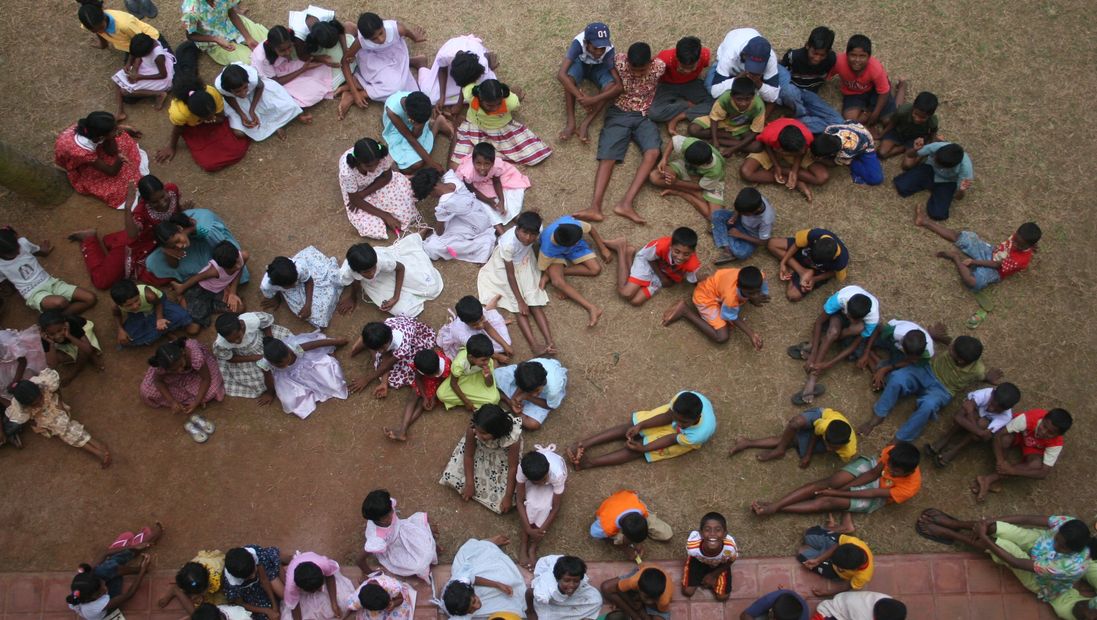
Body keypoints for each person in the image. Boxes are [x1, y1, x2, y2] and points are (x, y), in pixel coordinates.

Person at [574, 42, 665, 225]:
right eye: (634, 69)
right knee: (608, 156)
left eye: (642, 70)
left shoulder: (660, 67)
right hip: (619, 113)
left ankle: (626, 204)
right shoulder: (618, 62)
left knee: (653, 152)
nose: (637, 74)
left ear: (651, 62)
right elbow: (608, 84)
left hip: (644, 116)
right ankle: (595, 207)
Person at [863, 330, 1004, 442]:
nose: (950, 349)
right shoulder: (956, 345)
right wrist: (936, 336)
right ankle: (878, 415)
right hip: (927, 371)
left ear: (960, 361)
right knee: (897, 377)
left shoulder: (977, 370)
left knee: (928, 406)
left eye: (952, 351)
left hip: (943, 390)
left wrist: (988, 378)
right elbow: (949, 342)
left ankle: (900, 438)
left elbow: (981, 376)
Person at [70, 176, 186, 290]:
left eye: (163, 196)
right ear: (145, 201)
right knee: (102, 281)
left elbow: (176, 211)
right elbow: (132, 235)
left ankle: (113, 242)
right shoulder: (141, 211)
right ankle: (88, 239)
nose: (162, 203)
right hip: (137, 246)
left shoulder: (172, 190)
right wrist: (128, 208)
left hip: (160, 241)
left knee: (170, 270)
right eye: (154, 202)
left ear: (164, 189)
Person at [752, 442, 922, 521]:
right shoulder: (893, 453)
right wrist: (841, 488)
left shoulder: (910, 488)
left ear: (908, 472)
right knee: (830, 482)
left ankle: (776, 509)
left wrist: (836, 493)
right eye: (889, 465)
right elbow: (872, 474)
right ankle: (775, 505)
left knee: (827, 501)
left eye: (895, 471)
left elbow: (871, 492)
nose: (889, 469)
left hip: (877, 495)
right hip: (872, 475)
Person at [155, 42, 249, 171]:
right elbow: (178, 129)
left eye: (211, 112)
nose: (210, 116)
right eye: (206, 116)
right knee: (209, 163)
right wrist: (171, 146)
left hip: (205, 118)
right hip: (193, 125)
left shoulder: (212, 93)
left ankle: (190, 47)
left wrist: (214, 119)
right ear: (194, 114)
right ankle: (187, 48)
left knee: (236, 148)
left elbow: (220, 117)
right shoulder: (181, 112)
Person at [568, 391, 716, 469]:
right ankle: (583, 444)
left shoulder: (697, 435)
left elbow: (671, 439)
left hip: (684, 439)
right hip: (680, 418)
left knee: (637, 451)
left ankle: (589, 463)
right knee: (631, 427)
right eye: (676, 419)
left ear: (697, 417)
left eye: (682, 422)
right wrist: (641, 425)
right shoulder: (681, 400)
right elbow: (667, 416)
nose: (677, 423)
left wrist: (644, 448)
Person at [476, 212, 555, 355]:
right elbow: (510, 275)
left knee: (534, 302)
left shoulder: (539, 228)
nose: (528, 238)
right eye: (525, 233)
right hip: (507, 266)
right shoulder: (508, 244)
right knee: (519, 308)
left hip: (524, 260)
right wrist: (520, 301)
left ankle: (550, 341)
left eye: (533, 234)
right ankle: (534, 345)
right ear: (517, 228)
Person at [787, 285, 881, 406]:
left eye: (854, 319)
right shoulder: (841, 299)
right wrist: (813, 354)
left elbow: (852, 346)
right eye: (849, 317)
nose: (851, 320)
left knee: (859, 329)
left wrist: (827, 364)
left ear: (864, 316)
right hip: (837, 315)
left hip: (855, 328)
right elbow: (819, 323)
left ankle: (813, 351)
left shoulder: (873, 319)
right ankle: (812, 378)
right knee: (833, 333)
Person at [916, 208, 1040, 298]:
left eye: (1020, 245)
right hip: (992, 251)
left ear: (1029, 245)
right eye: (1015, 240)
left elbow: (997, 265)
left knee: (972, 283)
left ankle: (955, 258)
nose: (1015, 244)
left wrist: (974, 261)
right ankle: (925, 221)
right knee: (961, 237)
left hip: (996, 270)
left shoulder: (1020, 260)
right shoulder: (1020, 237)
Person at [6, 369, 112, 467]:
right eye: (35, 403)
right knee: (73, 429)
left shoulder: (44, 386)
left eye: (40, 398)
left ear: (39, 390)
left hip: (58, 413)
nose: (40, 402)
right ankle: (98, 446)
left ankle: (99, 453)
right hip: (50, 422)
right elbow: (29, 419)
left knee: (71, 437)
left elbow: (57, 390)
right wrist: (40, 426)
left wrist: (61, 403)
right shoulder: (23, 408)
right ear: (27, 404)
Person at [972, 408, 1073, 502]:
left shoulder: (1056, 443)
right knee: (1005, 439)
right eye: (1044, 425)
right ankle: (989, 480)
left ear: (1058, 435)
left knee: (1036, 465)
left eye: (1050, 433)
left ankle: (988, 479)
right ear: (1043, 418)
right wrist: (1001, 461)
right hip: (1018, 435)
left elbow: (1043, 473)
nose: (1043, 431)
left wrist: (1013, 471)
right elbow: (998, 435)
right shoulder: (1029, 418)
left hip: (1033, 448)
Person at [54, 111, 149, 210]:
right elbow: (112, 172)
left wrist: (116, 133)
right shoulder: (83, 152)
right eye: (114, 129)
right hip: (77, 160)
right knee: (119, 185)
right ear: (101, 137)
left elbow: (112, 151)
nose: (117, 131)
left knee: (122, 141)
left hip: (92, 145)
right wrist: (119, 160)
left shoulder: (91, 128)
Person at [439, 404, 523, 514]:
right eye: (477, 431)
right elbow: (468, 455)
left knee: (505, 495)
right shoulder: (473, 429)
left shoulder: (512, 440)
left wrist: (508, 496)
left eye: (483, 433)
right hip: (481, 450)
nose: (477, 435)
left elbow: (513, 468)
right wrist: (470, 483)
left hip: (501, 455)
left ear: (497, 432)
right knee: (455, 475)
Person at [449, 78, 552, 167]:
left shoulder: (510, 103)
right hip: (475, 127)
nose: (495, 108)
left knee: (532, 155)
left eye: (498, 104)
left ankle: (514, 92)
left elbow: (515, 104)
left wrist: (516, 97)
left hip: (501, 129)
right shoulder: (470, 95)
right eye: (489, 105)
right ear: (480, 99)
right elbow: (464, 87)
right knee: (460, 163)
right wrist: (459, 105)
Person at [662, 266, 769, 348]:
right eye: (751, 293)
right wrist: (751, 334)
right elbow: (730, 316)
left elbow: (762, 283)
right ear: (739, 286)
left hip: (715, 286)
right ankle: (684, 311)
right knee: (722, 337)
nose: (755, 295)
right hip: (705, 298)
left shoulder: (760, 276)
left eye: (757, 291)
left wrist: (757, 295)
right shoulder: (731, 298)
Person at [336, 237, 443, 318]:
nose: (372, 273)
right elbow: (354, 280)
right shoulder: (346, 273)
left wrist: (395, 297)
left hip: (390, 271)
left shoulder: (381, 260)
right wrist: (352, 297)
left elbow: (400, 268)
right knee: (405, 312)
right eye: (366, 272)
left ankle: (416, 238)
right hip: (373, 283)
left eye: (373, 268)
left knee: (431, 287)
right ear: (356, 271)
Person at [537, 215, 612, 327]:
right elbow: (544, 266)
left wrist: (603, 248)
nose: (579, 241)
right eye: (577, 241)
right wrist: (556, 282)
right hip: (555, 255)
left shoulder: (574, 226)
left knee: (595, 269)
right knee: (557, 282)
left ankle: (559, 273)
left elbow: (591, 229)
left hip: (571, 246)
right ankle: (591, 308)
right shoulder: (547, 250)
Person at [338, 138, 420, 240]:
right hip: (357, 189)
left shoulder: (381, 156)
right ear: (358, 162)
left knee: (405, 208)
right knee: (370, 226)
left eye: (376, 164)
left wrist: (363, 193)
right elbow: (354, 200)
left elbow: (387, 177)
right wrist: (386, 216)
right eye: (368, 166)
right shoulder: (348, 173)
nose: (373, 169)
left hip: (370, 186)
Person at [0, 229, 97, 315]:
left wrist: (44, 250)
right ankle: (55, 319)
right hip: (33, 293)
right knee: (61, 302)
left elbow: (40, 252)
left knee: (90, 298)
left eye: (17, 247)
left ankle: (57, 319)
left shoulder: (23, 243)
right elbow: (5, 284)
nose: (17, 252)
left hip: (51, 282)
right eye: (12, 253)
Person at [287, 6, 360, 118]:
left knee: (349, 32)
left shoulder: (327, 16)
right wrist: (321, 59)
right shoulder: (299, 35)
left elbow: (340, 31)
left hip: (320, 42)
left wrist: (346, 50)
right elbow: (302, 56)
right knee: (325, 75)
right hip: (307, 51)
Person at [925, 383, 1021, 467]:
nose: (991, 409)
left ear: (1007, 409)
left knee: (982, 424)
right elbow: (957, 417)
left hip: (976, 424)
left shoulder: (1006, 416)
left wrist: (970, 413)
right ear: (992, 393)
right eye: (992, 404)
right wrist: (979, 429)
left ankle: (956, 449)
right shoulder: (984, 394)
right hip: (974, 422)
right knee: (973, 419)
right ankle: (946, 438)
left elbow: (985, 438)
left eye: (997, 409)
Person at [411, 168, 496, 264]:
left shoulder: (445, 204)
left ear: (432, 190)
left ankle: (482, 246)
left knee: (432, 247)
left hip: (476, 227)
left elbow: (440, 232)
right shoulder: (451, 177)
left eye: (429, 194)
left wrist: (439, 218)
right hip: (481, 216)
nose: (431, 197)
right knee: (451, 222)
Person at [139, 338, 226, 429]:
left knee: (213, 390)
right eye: (174, 369)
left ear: (183, 353)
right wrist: (172, 401)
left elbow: (206, 379)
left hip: (198, 373)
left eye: (180, 365)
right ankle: (187, 398)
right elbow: (158, 381)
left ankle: (191, 399)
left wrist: (196, 401)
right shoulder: (162, 366)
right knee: (147, 392)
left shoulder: (196, 357)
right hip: (173, 378)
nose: (179, 370)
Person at [257, 333, 348, 418]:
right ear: (271, 363)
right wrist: (270, 393)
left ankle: (329, 356)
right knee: (289, 402)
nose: (286, 365)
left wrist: (336, 342)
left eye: (287, 360)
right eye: (280, 365)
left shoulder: (294, 348)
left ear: (288, 351)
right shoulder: (265, 364)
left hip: (308, 367)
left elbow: (315, 344)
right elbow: (268, 380)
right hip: (288, 379)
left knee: (333, 383)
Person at [729, 407, 857, 467]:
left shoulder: (848, 452)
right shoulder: (824, 426)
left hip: (828, 429)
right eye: (827, 443)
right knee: (795, 423)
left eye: (833, 447)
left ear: (846, 442)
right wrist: (808, 454)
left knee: (793, 440)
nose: (829, 449)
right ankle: (779, 449)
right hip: (822, 414)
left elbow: (829, 447)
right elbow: (816, 434)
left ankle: (749, 443)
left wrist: (810, 453)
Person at [740, 117, 830, 202]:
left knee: (822, 177)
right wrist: (776, 165)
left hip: (793, 151)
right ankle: (795, 181)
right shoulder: (769, 134)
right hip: (771, 149)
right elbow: (766, 144)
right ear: (780, 149)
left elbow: (802, 152)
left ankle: (785, 173)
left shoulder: (807, 137)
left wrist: (794, 171)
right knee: (746, 172)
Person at [556, 22, 618, 143]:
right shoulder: (578, 43)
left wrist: (593, 100)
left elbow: (618, 86)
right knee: (568, 79)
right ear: (586, 42)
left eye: (602, 48)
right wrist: (582, 99)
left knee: (610, 86)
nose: (599, 52)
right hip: (581, 64)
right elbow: (561, 75)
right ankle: (571, 123)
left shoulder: (609, 50)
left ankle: (585, 124)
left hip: (599, 68)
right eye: (595, 48)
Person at [606, 228, 701, 306]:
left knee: (635, 301)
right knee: (626, 293)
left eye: (686, 254)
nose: (680, 257)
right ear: (671, 247)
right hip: (648, 262)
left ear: (692, 252)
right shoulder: (660, 246)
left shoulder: (693, 265)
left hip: (662, 274)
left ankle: (629, 255)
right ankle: (620, 249)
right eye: (677, 251)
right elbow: (650, 258)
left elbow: (693, 279)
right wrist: (662, 278)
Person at [214, 62, 307, 142]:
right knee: (241, 131)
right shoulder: (221, 87)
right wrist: (242, 115)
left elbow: (260, 87)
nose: (243, 93)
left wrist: (252, 110)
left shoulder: (253, 78)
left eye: (245, 87)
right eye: (238, 91)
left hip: (257, 92)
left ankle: (276, 125)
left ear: (248, 82)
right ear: (229, 89)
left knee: (279, 105)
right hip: (236, 100)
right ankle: (274, 126)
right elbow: (229, 98)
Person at [345, 12, 424, 105]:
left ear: (383, 24)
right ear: (365, 38)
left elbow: (406, 32)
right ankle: (360, 93)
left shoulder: (397, 29)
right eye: (374, 39)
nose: (381, 39)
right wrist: (355, 94)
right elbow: (344, 62)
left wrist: (415, 38)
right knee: (396, 88)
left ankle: (362, 90)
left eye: (381, 33)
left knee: (409, 93)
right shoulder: (360, 42)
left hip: (395, 54)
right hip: (373, 57)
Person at [359, 489, 438, 581]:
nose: (393, 512)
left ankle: (431, 554)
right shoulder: (377, 538)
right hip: (395, 549)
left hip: (404, 531)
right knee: (418, 564)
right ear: (382, 519)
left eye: (392, 510)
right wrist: (371, 574)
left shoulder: (387, 507)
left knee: (426, 543)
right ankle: (423, 569)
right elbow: (359, 560)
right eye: (389, 514)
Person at [438, 536, 527, 618]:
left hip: (464, 580)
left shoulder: (463, 579)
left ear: (471, 591)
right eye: (470, 610)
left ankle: (489, 543)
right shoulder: (458, 615)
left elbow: (474, 579)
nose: (477, 606)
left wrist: (497, 584)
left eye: (474, 601)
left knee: (506, 578)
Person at [348, 317, 437, 397]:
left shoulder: (402, 347)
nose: (380, 351)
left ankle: (366, 344)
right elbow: (386, 355)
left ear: (384, 346)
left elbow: (386, 365)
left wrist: (367, 379)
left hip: (414, 339)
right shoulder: (386, 328)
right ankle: (365, 342)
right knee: (373, 339)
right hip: (401, 328)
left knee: (394, 378)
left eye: (379, 349)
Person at [259, 247, 344, 329]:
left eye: (295, 281)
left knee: (331, 282)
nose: (294, 285)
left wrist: (308, 304)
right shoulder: (267, 286)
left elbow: (309, 281)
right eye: (290, 285)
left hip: (304, 275)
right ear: (278, 284)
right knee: (314, 315)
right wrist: (277, 298)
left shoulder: (299, 268)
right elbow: (272, 292)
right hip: (289, 288)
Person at [251, 25, 334, 109]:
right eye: (282, 50)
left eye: (289, 47)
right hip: (273, 80)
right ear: (273, 48)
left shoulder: (289, 37)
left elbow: (297, 56)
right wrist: (302, 69)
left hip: (283, 66)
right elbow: (276, 82)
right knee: (312, 91)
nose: (287, 52)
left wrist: (305, 66)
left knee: (321, 67)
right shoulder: (262, 58)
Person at [213, 312, 292, 399]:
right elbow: (230, 358)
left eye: (238, 337)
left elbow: (266, 325)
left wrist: (270, 343)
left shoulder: (251, 320)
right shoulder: (220, 344)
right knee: (259, 380)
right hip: (245, 356)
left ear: (242, 326)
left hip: (263, 341)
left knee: (284, 350)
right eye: (231, 341)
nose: (237, 342)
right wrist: (255, 358)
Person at [455, 142, 532, 230]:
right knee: (485, 208)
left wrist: (502, 201)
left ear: (492, 163)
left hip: (486, 182)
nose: (482, 168)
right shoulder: (468, 173)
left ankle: (516, 218)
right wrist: (488, 201)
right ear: (473, 162)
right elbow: (472, 189)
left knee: (506, 197)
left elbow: (496, 182)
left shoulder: (496, 167)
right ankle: (501, 232)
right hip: (474, 188)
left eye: (487, 164)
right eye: (478, 163)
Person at [827, 35, 897, 130]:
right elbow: (826, 74)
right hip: (853, 93)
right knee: (851, 120)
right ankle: (869, 112)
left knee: (888, 121)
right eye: (853, 55)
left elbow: (883, 92)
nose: (857, 60)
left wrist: (875, 114)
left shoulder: (875, 69)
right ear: (846, 54)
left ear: (869, 57)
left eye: (862, 56)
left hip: (874, 91)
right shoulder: (839, 62)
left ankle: (901, 87)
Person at [170, 241, 247, 327]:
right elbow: (197, 277)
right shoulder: (214, 271)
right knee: (193, 328)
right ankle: (183, 297)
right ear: (222, 266)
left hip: (218, 290)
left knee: (240, 308)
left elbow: (239, 271)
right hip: (200, 291)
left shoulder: (243, 256)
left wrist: (232, 292)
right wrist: (182, 288)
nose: (238, 266)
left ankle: (208, 307)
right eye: (233, 266)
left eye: (238, 261)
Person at [649, 134, 727, 218]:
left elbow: (700, 187)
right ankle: (698, 195)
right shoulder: (691, 143)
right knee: (654, 177)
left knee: (714, 217)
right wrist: (664, 159)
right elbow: (673, 140)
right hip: (687, 169)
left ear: (702, 164)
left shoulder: (715, 171)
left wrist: (676, 182)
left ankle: (682, 193)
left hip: (711, 183)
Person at [515, 446, 568, 568]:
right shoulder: (522, 469)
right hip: (535, 474)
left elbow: (555, 508)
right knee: (530, 504)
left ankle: (532, 547)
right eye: (540, 482)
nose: (544, 482)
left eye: (545, 478)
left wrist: (539, 532)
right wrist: (528, 529)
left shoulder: (557, 475)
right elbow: (519, 499)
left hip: (553, 482)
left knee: (544, 507)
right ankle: (524, 544)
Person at [382, 347, 450, 442]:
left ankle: (402, 429)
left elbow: (443, 384)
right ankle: (403, 430)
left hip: (437, 385)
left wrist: (432, 398)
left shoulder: (447, 368)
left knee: (423, 405)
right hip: (424, 381)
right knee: (414, 395)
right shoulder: (421, 366)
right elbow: (418, 379)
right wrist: (424, 396)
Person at [893, 140, 973, 220]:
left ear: (948, 167)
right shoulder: (937, 146)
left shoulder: (965, 169)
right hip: (930, 169)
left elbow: (958, 197)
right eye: (935, 158)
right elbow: (910, 155)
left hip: (948, 181)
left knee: (938, 214)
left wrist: (962, 190)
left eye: (937, 162)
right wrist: (915, 149)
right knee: (901, 186)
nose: (934, 159)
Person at [688, 77, 765, 159]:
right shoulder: (724, 98)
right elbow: (714, 118)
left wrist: (732, 149)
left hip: (741, 127)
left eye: (748, 99)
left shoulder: (758, 106)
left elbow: (755, 132)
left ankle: (723, 140)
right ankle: (726, 136)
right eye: (739, 99)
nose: (743, 103)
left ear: (753, 96)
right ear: (732, 96)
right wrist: (715, 139)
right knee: (693, 129)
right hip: (722, 121)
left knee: (757, 146)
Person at [584, 489, 673, 560]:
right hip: (609, 510)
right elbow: (593, 532)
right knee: (614, 536)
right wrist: (625, 548)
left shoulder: (641, 510)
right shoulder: (607, 526)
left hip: (630, 501)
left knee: (667, 534)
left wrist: (638, 543)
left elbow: (634, 495)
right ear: (622, 532)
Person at [766, 227, 850, 302]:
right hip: (803, 253)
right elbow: (797, 244)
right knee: (771, 244)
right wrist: (783, 263)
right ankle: (802, 272)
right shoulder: (815, 234)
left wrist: (814, 279)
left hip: (817, 271)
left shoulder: (841, 261)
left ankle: (798, 271)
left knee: (793, 296)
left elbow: (834, 273)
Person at [650, 36, 714, 133]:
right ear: (676, 57)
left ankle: (678, 117)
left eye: (691, 67)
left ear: (698, 59)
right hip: (667, 85)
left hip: (691, 84)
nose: (687, 71)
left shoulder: (704, 56)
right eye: (683, 67)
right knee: (653, 113)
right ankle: (686, 104)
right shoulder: (663, 59)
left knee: (714, 104)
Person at [416, 34, 497, 108]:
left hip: (474, 70)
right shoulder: (446, 55)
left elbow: (486, 55)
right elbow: (442, 69)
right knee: (430, 97)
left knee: (488, 91)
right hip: (452, 67)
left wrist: (459, 103)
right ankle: (421, 63)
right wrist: (442, 96)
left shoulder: (482, 63)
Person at [110, 279, 197, 347]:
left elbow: (158, 303)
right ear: (120, 304)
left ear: (138, 293)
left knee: (182, 316)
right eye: (129, 305)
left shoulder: (149, 296)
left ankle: (159, 330)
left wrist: (159, 318)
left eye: (137, 300)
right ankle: (164, 331)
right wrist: (120, 330)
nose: (135, 306)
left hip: (157, 305)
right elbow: (117, 315)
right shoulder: (116, 306)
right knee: (126, 340)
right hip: (138, 314)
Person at [181, 0, 269, 66]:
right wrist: (215, 39)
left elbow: (231, 12)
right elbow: (190, 35)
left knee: (270, 42)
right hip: (214, 42)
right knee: (251, 62)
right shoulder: (191, 10)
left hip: (232, 24)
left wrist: (248, 37)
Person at [384, 90, 453, 172]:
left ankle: (437, 123)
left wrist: (418, 127)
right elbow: (410, 138)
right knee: (411, 166)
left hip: (415, 121)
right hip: (397, 129)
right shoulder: (392, 111)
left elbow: (415, 136)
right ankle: (437, 124)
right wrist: (432, 163)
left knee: (418, 162)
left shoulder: (420, 104)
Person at [111, 34, 176, 121]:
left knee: (125, 91)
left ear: (147, 52)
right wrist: (131, 66)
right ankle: (120, 112)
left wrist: (140, 77)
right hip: (148, 67)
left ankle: (159, 94)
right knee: (117, 79)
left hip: (161, 77)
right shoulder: (145, 42)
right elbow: (138, 57)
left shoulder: (158, 56)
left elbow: (163, 75)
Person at [67, 554, 152, 620]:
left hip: (93, 605)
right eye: (102, 588)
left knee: (106, 569)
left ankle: (127, 556)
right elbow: (129, 595)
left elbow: (103, 553)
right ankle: (138, 566)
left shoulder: (79, 589)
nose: (105, 585)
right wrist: (142, 571)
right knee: (113, 570)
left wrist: (135, 546)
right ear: (95, 596)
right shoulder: (97, 606)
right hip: (106, 614)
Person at [796, 525, 874, 594]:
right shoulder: (852, 542)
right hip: (832, 546)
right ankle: (843, 528)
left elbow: (848, 586)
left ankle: (822, 554)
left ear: (854, 569)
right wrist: (818, 560)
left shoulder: (863, 576)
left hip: (834, 571)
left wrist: (827, 592)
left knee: (801, 552)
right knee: (808, 534)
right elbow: (837, 545)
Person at [495, 358, 568, 430]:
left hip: (548, 390)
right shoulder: (526, 369)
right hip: (531, 378)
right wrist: (514, 398)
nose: (534, 394)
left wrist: (527, 397)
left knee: (533, 425)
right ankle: (510, 400)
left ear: (543, 383)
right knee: (496, 375)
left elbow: (550, 406)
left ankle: (505, 398)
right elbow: (522, 384)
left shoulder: (553, 390)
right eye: (529, 391)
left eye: (537, 390)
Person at [436, 295, 513, 362]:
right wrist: (498, 357)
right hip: (470, 341)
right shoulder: (462, 335)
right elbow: (480, 349)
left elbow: (488, 327)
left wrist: (505, 345)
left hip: (474, 334)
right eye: (475, 324)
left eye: (482, 319)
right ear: (464, 322)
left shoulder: (479, 314)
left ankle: (492, 306)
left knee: (503, 342)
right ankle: (492, 306)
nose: (481, 325)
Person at [862, 318, 933, 390]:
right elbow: (878, 328)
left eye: (915, 359)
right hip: (892, 341)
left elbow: (910, 362)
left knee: (891, 379)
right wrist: (866, 352)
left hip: (900, 352)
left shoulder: (927, 354)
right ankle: (872, 359)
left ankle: (874, 364)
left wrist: (885, 369)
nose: (914, 361)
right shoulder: (894, 332)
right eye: (911, 357)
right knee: (863, 340)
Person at [282, 552, 356, 620]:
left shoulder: (324, 564)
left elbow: (330, 577)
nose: (315, 592)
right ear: (301, 588)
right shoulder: (291, 587)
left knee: (345, 602)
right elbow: (294, 606)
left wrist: (334, 604)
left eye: (317, 588)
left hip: (317, 571)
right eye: (312, 590)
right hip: (300, 583)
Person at [436, 334, 502, 412]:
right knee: (441, 394)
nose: (487, 362)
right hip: (461, 379)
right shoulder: (459, 364)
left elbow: (489, 384)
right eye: (484, 360)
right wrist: (466, 402)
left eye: (488, 358)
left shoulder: (488, 362)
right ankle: (475, 402)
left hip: (478, 378)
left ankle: (464, 401)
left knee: (494, 399)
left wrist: (488, 376)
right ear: (471, 357)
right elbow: (453, 384)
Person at [681, 512, 738, 601]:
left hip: (720, 564)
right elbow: (693, 558)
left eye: (718, 530)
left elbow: (731, 560)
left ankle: (709, 575)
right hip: (699, 561)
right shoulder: (692, 547)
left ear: (724, 534)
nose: (712, 534)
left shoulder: (729, 548)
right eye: (707, 530)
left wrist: (713, 575)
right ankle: (693, 533)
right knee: (687, 592)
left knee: (722, 597)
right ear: (701, 533)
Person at [38, 311, 105, 385]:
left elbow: (87, 349)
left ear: (65, 324)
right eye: (52, 334)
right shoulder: (45, 338)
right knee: (59, 356)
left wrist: (69, 335)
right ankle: (86, 357)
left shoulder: (72, 323)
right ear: (44, 333)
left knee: (86, 351)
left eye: (59, 330)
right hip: (67, 341)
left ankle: (77, 369)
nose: (57, 336)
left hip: (82, 331)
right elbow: (52, 365)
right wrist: (51, 343)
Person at [528, 555, 602, 620]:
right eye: (567, 581)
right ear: (557, 579)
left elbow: (594, 599)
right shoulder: (546, 590)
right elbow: (529, 592)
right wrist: (531, 612)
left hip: (569, 602)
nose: (571, 585)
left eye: (576, 581)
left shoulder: (582, 585)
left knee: (596, 601)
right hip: (551, 606)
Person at [712, 187, 775, 263]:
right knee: (717, 215)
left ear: (755, 211)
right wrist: (734, 216)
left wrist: (740, 235)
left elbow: (764, 242)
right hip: (739, 221)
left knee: (742, 253)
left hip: (750, 235)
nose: (742, 213)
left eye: (744, 213)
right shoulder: (751, 196)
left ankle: (721, 234)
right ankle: (727, 247)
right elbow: (738, 209)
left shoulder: (766, 220)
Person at [222, 545, 286, 617]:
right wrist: (267, 611)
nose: (253, 576)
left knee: (284, 595)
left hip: (265, 572)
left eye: (254, 571)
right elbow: (240, 603)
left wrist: (274, 605)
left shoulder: (255, 555)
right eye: (249, 576)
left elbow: (264, 580)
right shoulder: (231, 585)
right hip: (250, 591)